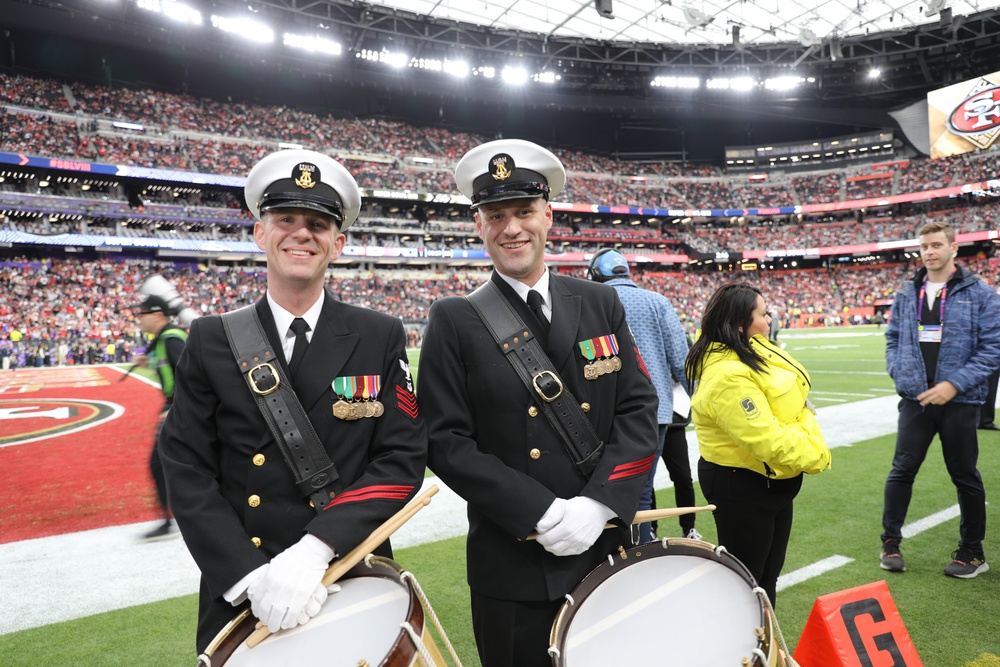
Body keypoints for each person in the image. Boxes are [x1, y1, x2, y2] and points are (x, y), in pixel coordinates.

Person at [158, 149, 427, 654]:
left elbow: (402, 459)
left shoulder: (381, 335)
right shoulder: (211, 338)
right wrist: (249, 578)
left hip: (351, 570)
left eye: (319, 223)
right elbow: (186, 467)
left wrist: (314, 549)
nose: (302, 233)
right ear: (261, 233)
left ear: (338, 243)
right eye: (286, 219)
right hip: (243, 595)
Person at [418, 139, 659, 667]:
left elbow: (639, 411)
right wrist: (540, 511)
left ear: (548, 216)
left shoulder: (599, 301)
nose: (512, 228)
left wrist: (598, 506)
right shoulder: (453, 319)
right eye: (496, 215)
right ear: (479, 226)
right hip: (513, 564)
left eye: (524, 212)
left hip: (607, 550)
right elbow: (444, 441)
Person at [686, 282, 831, 606]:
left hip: (769, 481)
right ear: (741, 324)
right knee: (747, 585)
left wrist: (802, 420)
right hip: (745, 486)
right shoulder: (727, 376)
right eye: (764, 314)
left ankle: (764, 650)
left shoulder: (746, 352)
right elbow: (768, 439)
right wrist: (817, 452)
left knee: (765, 579)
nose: (770, 319)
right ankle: (743, 651)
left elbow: (795, 404)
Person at [880, 221, 1000, 579]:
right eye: (924, 247)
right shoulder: (906, 291)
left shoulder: (980, 292)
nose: (929, 252)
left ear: (953, 248)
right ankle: (890, 542)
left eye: (936, 245)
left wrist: (954, 385)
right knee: (901, 472)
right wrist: (900, 374)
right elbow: (893, 338)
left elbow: (993, 348)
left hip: (960, 402)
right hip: (915, 399)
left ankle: (972, 552)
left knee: (965, 475)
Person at [586, 248, 698, 542]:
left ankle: (617, 555)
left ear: (597, 274)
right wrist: (698, 402)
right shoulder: (658, 302)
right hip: (655, 410)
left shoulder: (590, 301)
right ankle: (641, 553)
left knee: (605, 491)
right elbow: (681, 361)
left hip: (603, 413)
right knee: (642, 491)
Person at [131, 293, 187, 541]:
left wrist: (174, 406)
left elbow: (189, 374)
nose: (139, 320)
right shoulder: (164, 338)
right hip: (178, 409)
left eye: (142, 314)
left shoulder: (171, 339)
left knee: (158, 463)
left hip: (179, 410)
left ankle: (169, 522)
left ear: (157, 314)